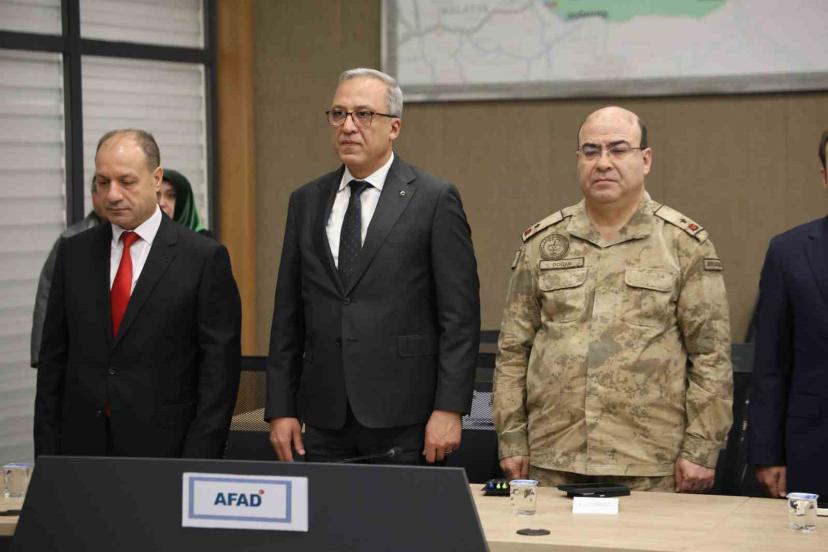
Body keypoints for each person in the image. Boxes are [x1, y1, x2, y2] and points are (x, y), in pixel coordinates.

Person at [494, 106, 733, 492]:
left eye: (618, 149)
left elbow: (711, 356)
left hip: (650, 461)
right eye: (590, 151)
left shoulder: (683, 244)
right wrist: (510, 438)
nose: (603, 162)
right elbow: (512, 352)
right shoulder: (543, 243)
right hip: (552, 455)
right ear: (578, 160)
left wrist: (701, 448)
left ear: (646, 159)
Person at [265, 68, 480, 465]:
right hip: (324, 414)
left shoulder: (433, 199)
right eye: (338, 114)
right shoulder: (306, 201)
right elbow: (288, 314)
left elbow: (459, 318)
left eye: (363, 114)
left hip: (407, 417)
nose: (348, 126)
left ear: (394, 127)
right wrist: (281, 407)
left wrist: (449, 409)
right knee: (326, 508)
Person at [34, 129, 241, 458]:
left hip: (166, 450)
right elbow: (52, 364)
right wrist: (47, 455)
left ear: (156, 179)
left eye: (126, 181)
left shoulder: (202, 258)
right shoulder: (73, 253)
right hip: (81, 448)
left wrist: (198, 460)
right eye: (103, 182)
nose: (113, 195)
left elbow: (219, 373)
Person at [748, 130, 828, 500]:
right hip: (814, 447)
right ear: (824, 177)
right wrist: (767, 453)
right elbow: (770, 363)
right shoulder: (789, 252)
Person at [30, 177, 107, 368]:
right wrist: (42, 356)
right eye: (103, 188)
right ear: (93, 195)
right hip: (82, 347)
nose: (112, 196)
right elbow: (47, 296)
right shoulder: (71, 239)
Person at [157, 168, 213, 237]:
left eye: (171, 195)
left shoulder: (204, 241)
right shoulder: (147, 239)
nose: (161, 203)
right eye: (156, 195)